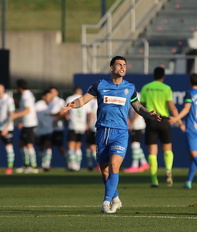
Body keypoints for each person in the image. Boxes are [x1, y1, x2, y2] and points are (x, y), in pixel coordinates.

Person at [61, 56, 161, 214]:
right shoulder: (100, 85)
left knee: (115, 165)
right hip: (102, 132)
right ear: (111, 68)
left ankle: (106, 202)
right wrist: (74, 104)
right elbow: (84, 99)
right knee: (105, 170)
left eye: (125, 65)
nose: (123, 67)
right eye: (119, 64)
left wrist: (149, 114)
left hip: (120, 132)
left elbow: (138, 107)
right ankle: (116, 198)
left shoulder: (129, 88)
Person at [140, 67, 184, 188]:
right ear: (163, 76)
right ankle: (168, 170)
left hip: (151, 120)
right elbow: (172, 107)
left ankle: (154, 180)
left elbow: (141, 106)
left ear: (153, 75)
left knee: (152, 152)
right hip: (164, 120)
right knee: (167, 148)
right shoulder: (166, 88)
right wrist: (180, 122)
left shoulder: (146, 87)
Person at [13, 79, 39, 174]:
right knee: (21, 143)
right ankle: (26, 164)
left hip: (30, 123)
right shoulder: (26, 95)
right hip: (26, 123)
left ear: (19, 87)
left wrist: (16, 115)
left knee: (29, 144)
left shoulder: (26, 96)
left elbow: (27, 110)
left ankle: (33, 166)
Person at [124, 92, 150, 173]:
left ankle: (135, 166)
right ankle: (144, 163)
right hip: (136, 124)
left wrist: (131, 123)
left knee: (135, 145)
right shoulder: (129, 96)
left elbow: (137, 111)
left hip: (138, 124)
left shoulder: (136, 96)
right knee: (136, 145)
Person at [65, 86, 89, 171]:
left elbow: (66, 110)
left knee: (71, 146)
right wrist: (87, 124)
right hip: (82, 126)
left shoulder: (70, 98)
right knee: (78, 147)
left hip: (73, 125)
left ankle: (72, 165)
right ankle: (78, 165)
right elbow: (89, 113)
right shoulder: (85, 100)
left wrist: (66, 115)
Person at [35, 90, 54, 171]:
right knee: (41, 147)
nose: (49, 98)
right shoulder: (38, 105)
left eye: (50, 97)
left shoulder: (53, 105)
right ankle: (43, 164)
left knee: (48, 146)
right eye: (48, 96)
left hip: (49, 130)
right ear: (43, 97)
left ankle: (47, 164)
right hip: (39, 130)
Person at [48, 87, 67, 164]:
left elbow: (63, 113)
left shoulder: (60, 101)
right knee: (48, 145)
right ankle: (46, 164)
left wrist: (56, 120)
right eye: (50, 92)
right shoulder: (47, 102)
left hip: (58, 128)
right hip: (48, 128)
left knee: (60, 146)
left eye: (53, 92)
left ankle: (68, 160)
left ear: (57, 93)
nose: (52, 94)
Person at [85, 98, 99, 171]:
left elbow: (92, 114)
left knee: (92, 146)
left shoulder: (95, 102)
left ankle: (100, 163)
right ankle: (90, 165)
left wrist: (89, 125)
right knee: (89, 146)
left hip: (94, 127)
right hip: (99, 127)